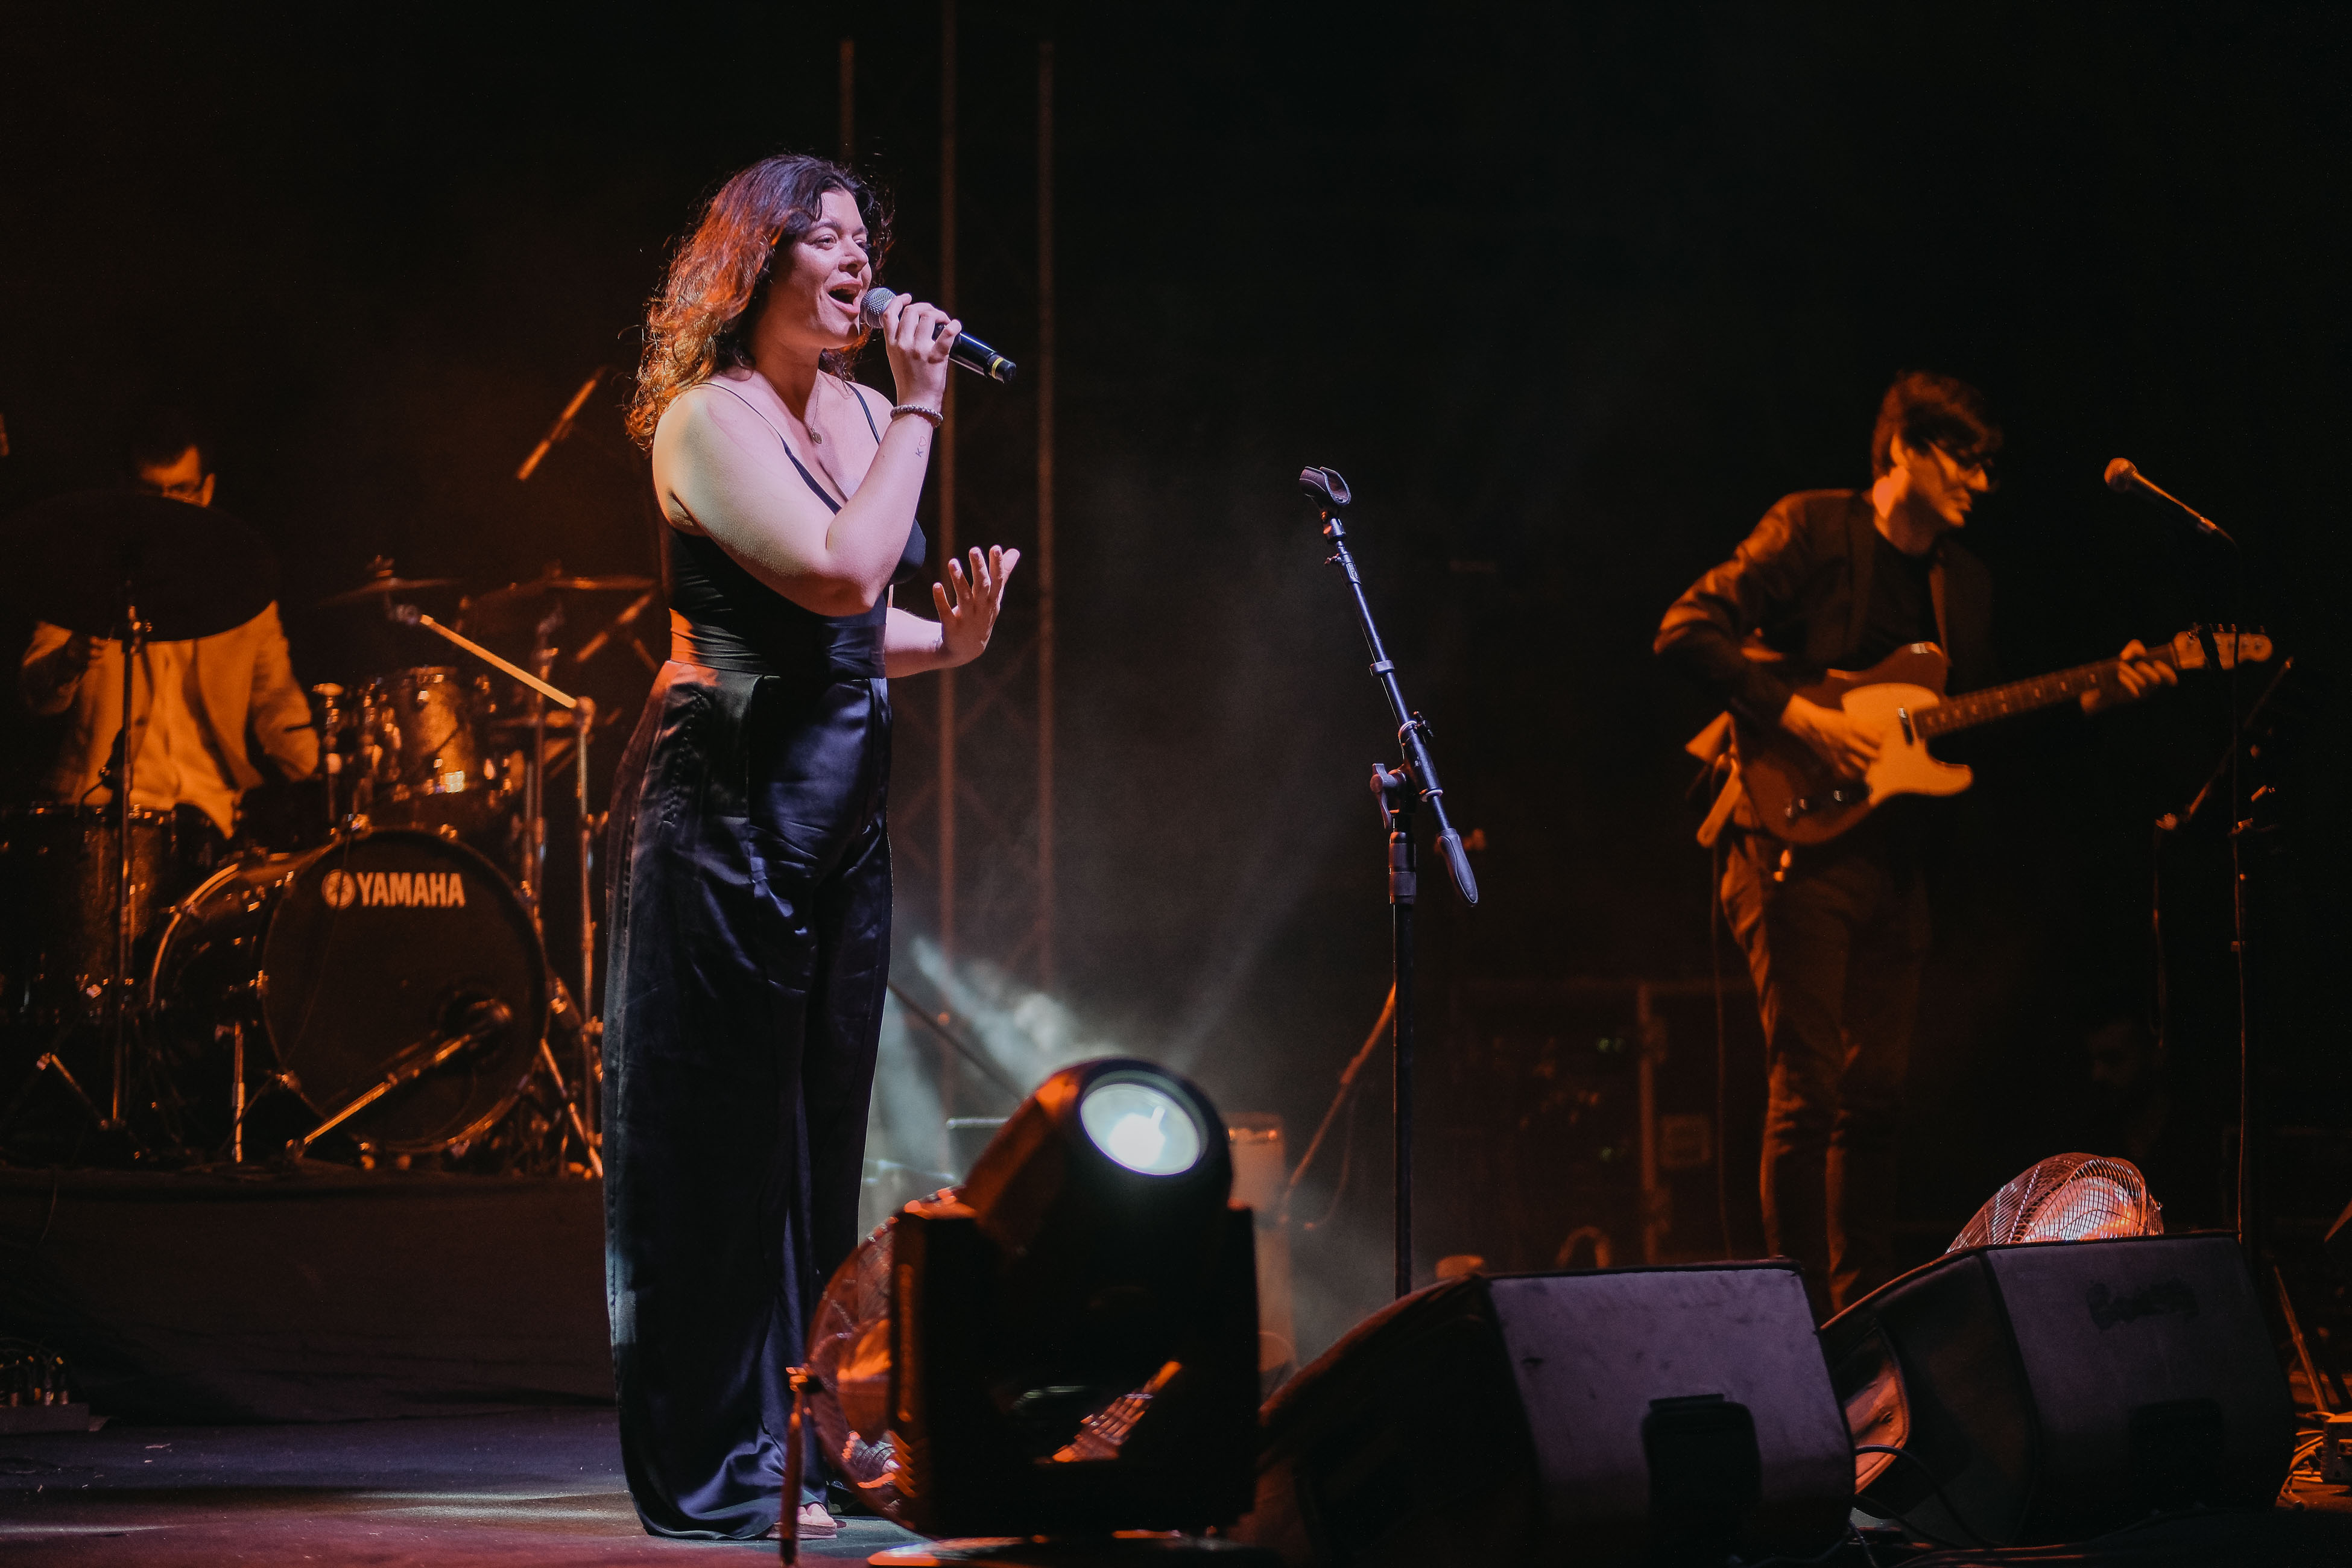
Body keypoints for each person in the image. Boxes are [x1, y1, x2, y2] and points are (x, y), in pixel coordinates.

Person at [604, 153, 1020, 1542]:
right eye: (826, 239)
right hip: (726, 808)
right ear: (755, 263)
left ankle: (804, 1440)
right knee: (721, 1149)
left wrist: (945, 644)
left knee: (815, 1142)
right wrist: (922, 405)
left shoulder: (856, 407)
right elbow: (838, 572)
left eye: (865, 241)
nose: (859, 262)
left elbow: (845, 626)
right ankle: (713, 1458)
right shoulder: (704, 424)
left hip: (836, 816)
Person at [1655, 371, 2174, 1318]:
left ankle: (1859, 1317)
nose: (1981, 481)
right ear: (1902, 449)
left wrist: (2090, 699)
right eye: (1963, 459)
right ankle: (1797, 1318)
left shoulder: (1960, 584)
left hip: (1894, 863)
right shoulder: (1812, 528)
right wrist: (1805, 721)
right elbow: (1687, 628)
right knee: (1807, 1093)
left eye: (1987, 466)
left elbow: (1975, 725)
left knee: (1878, 1102)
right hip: (1788, 842)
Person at [17, 412, 318, 842]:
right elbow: (35, 692)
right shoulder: (85, 575)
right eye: (152, 492)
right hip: (106, 813)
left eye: (181, 491)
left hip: (219, 816)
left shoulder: (242, 590)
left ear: (207, 490)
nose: (168, 507)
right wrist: (68, 662)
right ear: (126, 490)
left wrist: (327, 779)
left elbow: (278, 705)